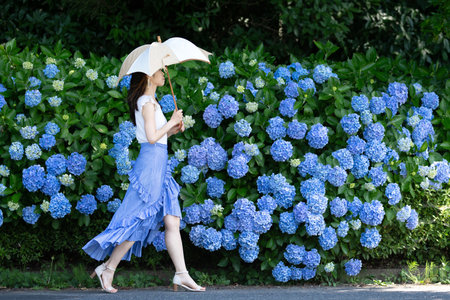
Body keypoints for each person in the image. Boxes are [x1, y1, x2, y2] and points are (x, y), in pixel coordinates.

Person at [82, 70, 206, 293]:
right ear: (149, 77)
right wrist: (171, 122)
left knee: (172, 220)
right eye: (161, 71)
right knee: (137, 220)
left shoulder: (152, 102)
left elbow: (158, 137)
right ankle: (108, 268)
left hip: (159, 163)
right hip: (150, 166)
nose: (164, 75)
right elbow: (150, 138)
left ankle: (182, 274)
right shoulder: (146, 102)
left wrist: (173, 129)